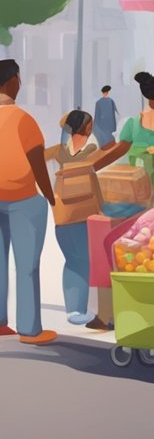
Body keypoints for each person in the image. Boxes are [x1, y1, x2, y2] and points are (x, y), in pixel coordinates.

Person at [0, 59, 58, 345]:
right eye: (19, 79)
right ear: (12, 82)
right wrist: (49, 195)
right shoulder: (23, 119)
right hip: (23, 199)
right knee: (26, 265)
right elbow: (38, 163)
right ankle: (30, 329)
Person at [46, 110, 100, 325]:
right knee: (83, 261)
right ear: (87, 128)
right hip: (84, 214)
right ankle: (78, 310)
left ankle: (75, 309)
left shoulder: (58, 152)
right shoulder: (92, 151)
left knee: (74, 261)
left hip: (62, 214)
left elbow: (36, 159)